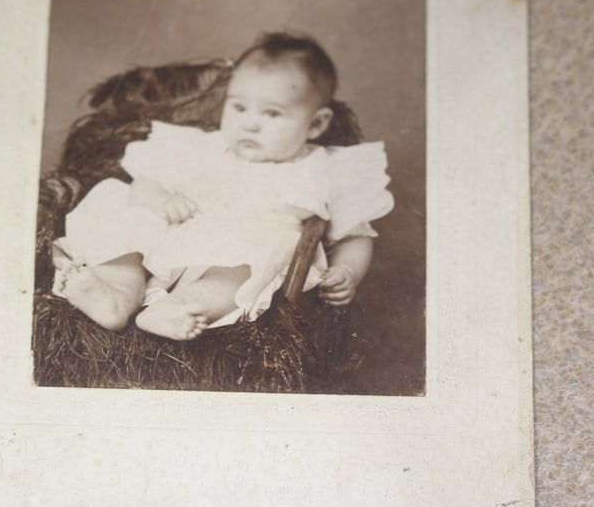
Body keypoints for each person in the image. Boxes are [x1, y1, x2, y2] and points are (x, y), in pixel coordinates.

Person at [52, 32, 394, 340]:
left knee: (245, 273)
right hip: (175, 233)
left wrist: (347, 270)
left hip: (237, 254)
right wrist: (160, 198)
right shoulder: (204, 147)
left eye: (271, 114)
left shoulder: (327, 169)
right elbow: (145, 181)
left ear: (316, 124)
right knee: (127, 216)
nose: (250, 124)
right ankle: (116, 295)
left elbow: (356, 234)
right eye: (239, 107)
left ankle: (173, 309)